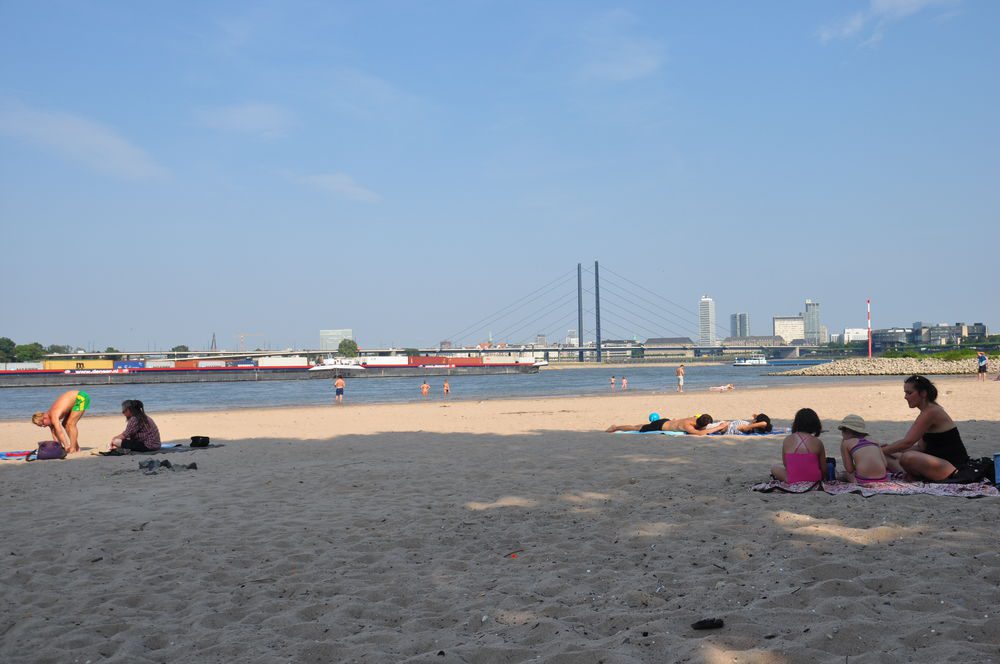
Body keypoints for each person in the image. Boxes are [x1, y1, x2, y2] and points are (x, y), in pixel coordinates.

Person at [879, 375, 970, 481]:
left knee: (907, 457)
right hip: (936, 462)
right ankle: (908, 476)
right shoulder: (926, 411)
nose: (905, 397)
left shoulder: (931, 412)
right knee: (890, 456)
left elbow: (907, 442)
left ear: (923, 393)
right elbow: (920, 448)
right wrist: (889, 449)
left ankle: (910, 476)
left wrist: (879, 451)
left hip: (953, 467)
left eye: (909, 393)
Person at [770, 408, 825, 483]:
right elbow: (823, 468)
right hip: (815, 479)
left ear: (796, 423)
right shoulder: (818, 442)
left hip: (793, 479)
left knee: (774, 468)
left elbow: (786, 464)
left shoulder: (787, 440)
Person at [31, 389, 89, 454]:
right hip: (74, 400)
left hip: (81, 397)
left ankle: (73, 448)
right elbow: (54, 434)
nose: (44, 426)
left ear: (44, 418)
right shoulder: (49, 418)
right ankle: (77, 448)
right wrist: (59, 448)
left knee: (70, 424)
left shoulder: (53, 415)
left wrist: (66, 446)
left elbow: (60, 432)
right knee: (64, 424)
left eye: (42, 424)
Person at [836, 414, 888, 485]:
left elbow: (849, 469)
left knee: (846, 474)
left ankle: (855, 482)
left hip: (863, 480)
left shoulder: (846, 443)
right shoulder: (874, 441)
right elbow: (885, 464)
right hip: (882, 479)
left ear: (846, 430)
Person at [606, 413, 727, 435]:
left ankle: (616, 427)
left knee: (639, 425)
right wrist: (719, 427)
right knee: (636, 428)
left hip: (666, 421)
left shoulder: (696, 418)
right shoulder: (688, 426)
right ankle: (615, 427)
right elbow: (700, 434)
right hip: (659, 426)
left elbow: (703, 421)